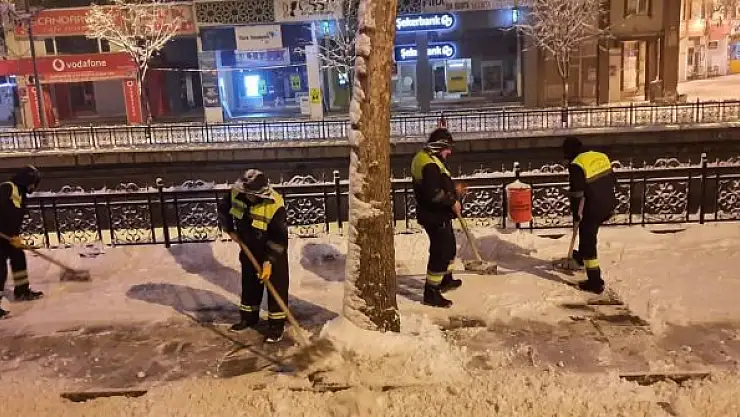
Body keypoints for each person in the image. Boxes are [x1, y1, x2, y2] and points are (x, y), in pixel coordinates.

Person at [217, 169, 290, 343]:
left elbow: (279, 237)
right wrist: (229, 229)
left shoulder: (275, 204)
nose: (249, 197)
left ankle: (276, 327)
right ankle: (248, 319)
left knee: (276, 289)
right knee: (249, 284)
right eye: (247, 193)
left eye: (252, 194)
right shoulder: (236, 194)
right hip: (248, 247)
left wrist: (269, 261)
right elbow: (223, 208)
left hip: (272, 251)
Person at [411, 127, 464, 308]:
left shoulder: (431, 159)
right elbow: (433, 193)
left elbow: (439, 185)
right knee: (441, 252)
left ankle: (445, 279)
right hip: (433, 215)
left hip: (439, 214)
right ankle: (431, 292)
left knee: (449, 248)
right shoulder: (429, 164)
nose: (449, 152)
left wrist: (454, 191)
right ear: (439, 146)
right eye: (447, 148)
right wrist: (452, 201)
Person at [563, 137, 618, 294]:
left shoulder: (576, 164)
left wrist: (576, 214)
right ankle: (581, 257)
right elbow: (612, 180)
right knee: (586, 230)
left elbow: (577, 193)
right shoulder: (600, 156)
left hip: (594, 207)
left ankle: (595, 282)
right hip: (609, 203)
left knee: (588, 240)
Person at [0, 165, 45, 319]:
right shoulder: (7, 188)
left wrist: (14, 235)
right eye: (33, 183)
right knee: (0, 269)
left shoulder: (21, 193)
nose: (33, 187)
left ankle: (22, 291)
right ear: (26, 180)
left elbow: (12, 217)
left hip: (8, 236)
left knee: (18, 258)